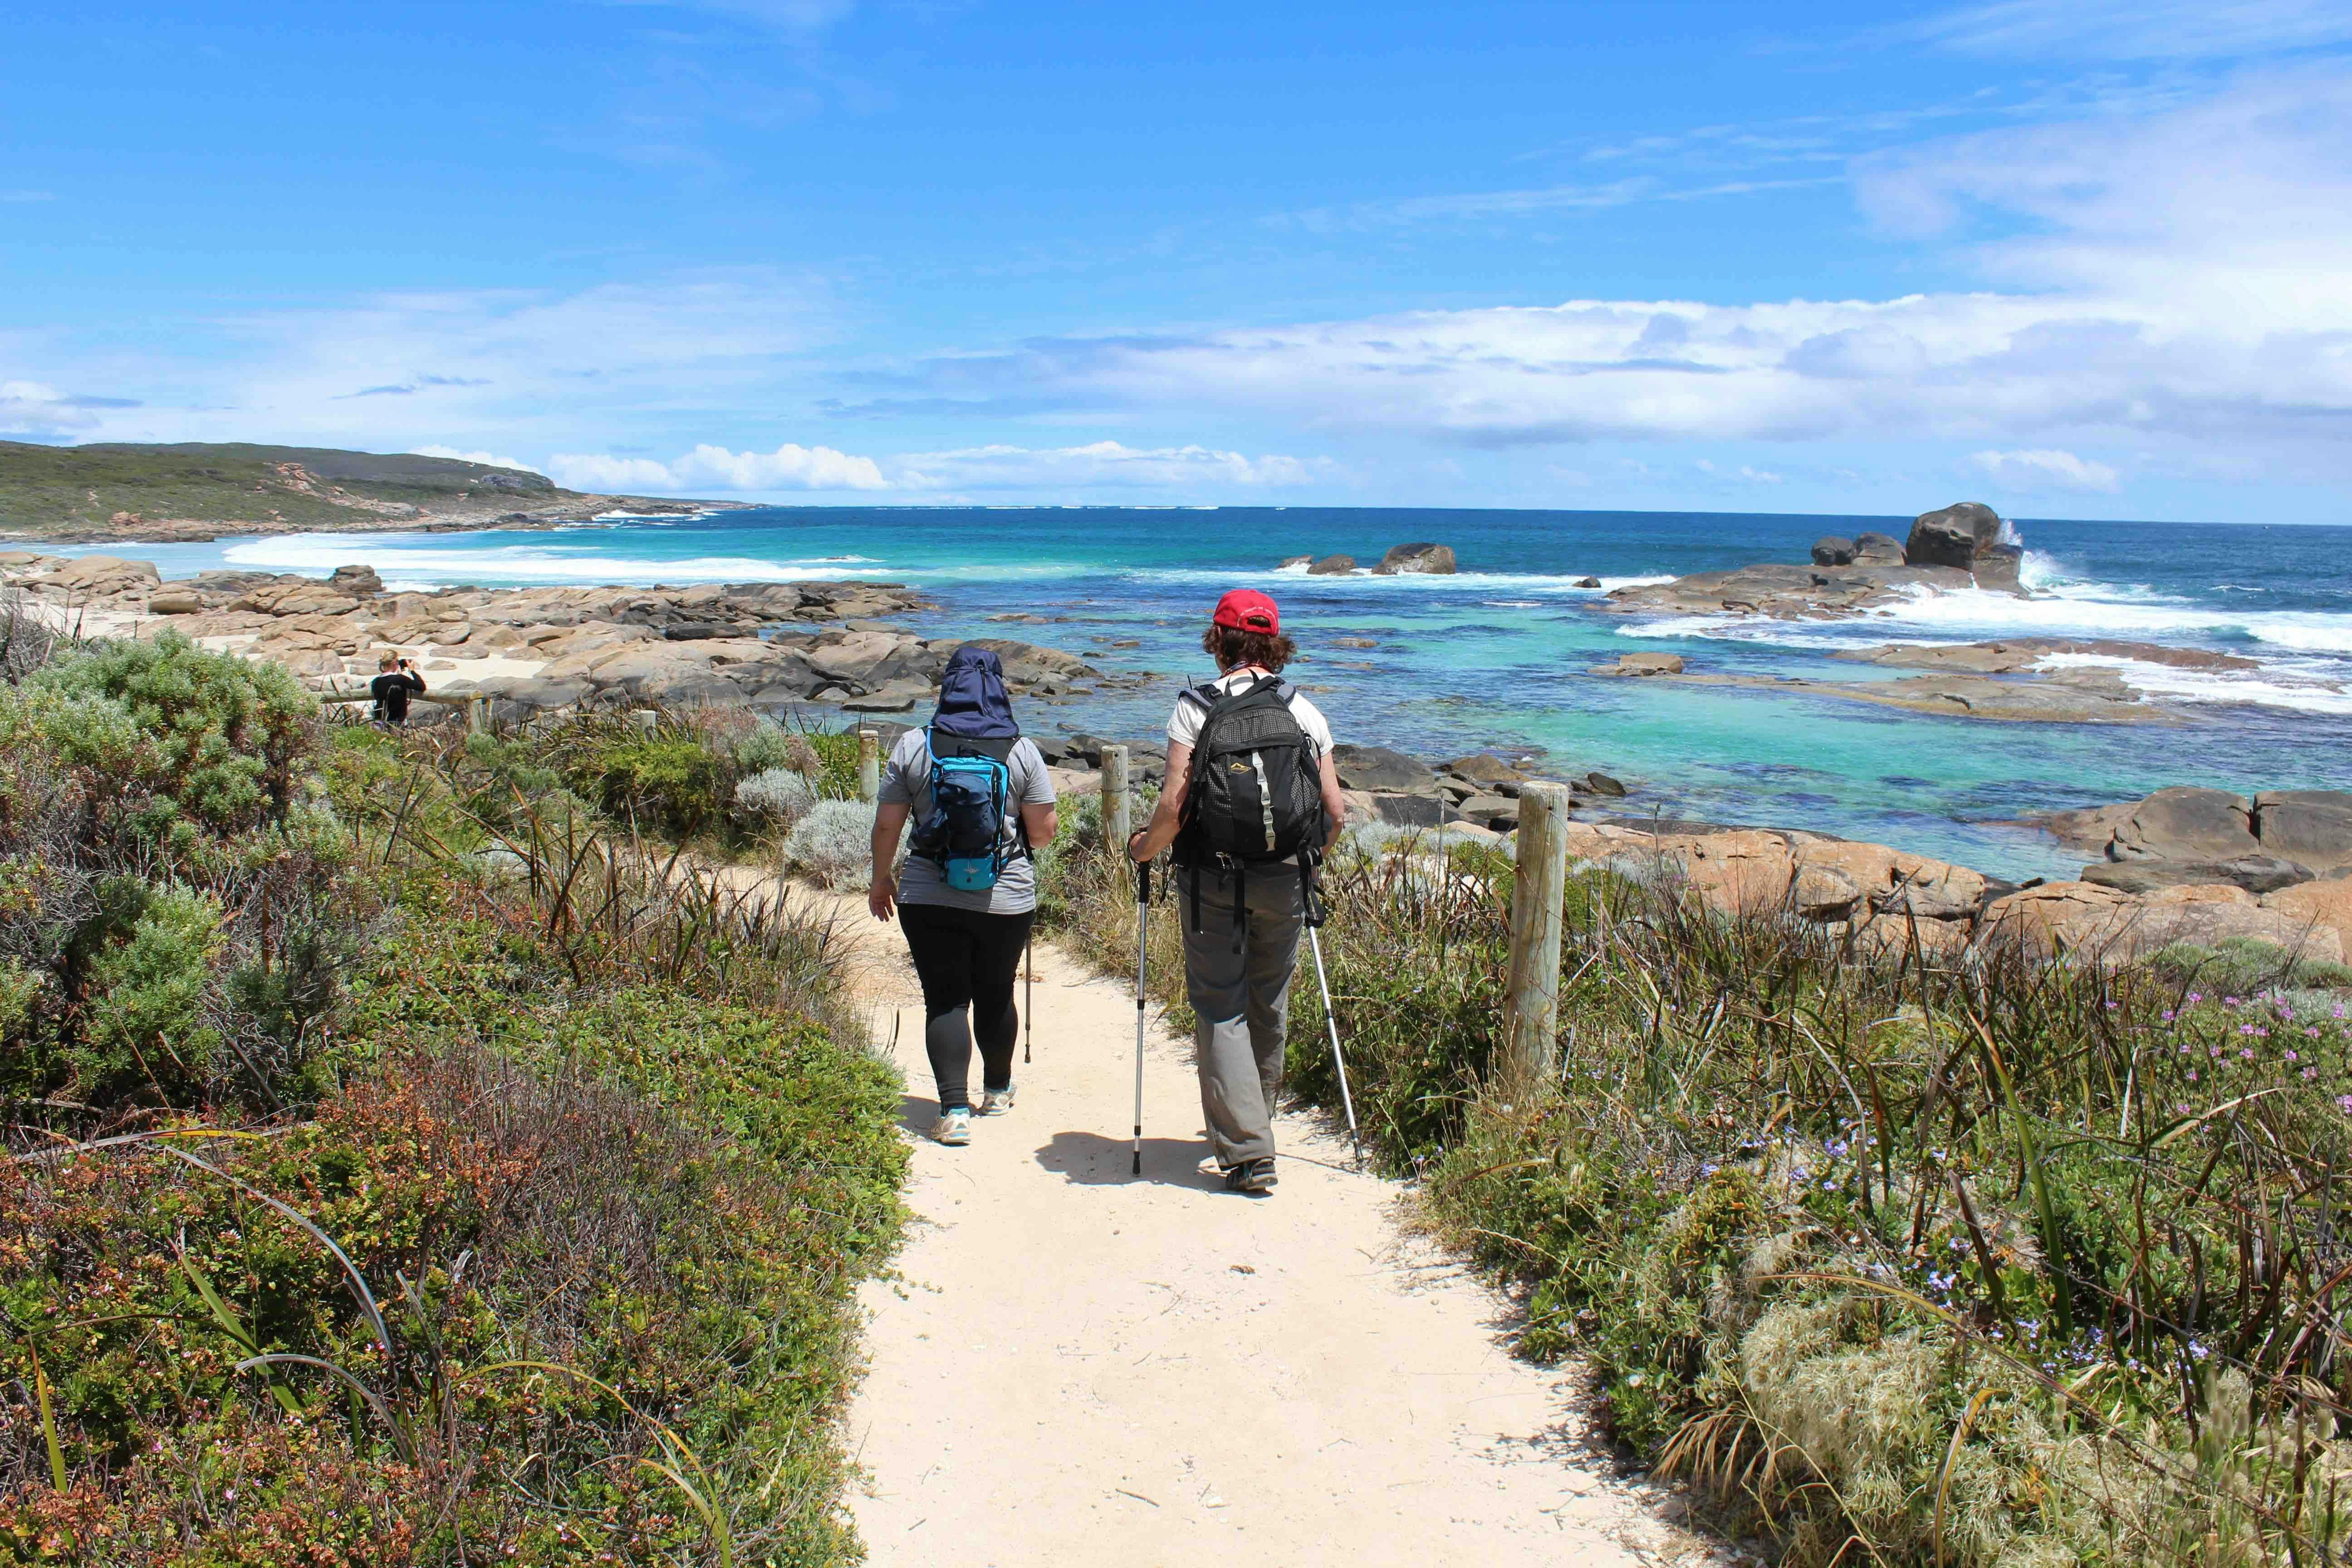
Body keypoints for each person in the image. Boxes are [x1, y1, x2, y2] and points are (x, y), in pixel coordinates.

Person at [1125, 589, 1347, 1195]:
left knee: (1221, 1005)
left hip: (1211, 880)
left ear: (1218, 641)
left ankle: (1249, 1152)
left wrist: (1143, 848)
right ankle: (1256, 1124)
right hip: (1285, 881)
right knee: (1268, 1001)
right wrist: (1306, 864)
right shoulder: (1305, 712)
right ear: (1275, 644)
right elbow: (1336, 813)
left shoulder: (1194, 709)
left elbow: (1172, 808)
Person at [869, 645, 1058, 1147]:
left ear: (947, 686)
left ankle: (953, 1111)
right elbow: (1043, 832)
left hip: (928, 894)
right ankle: (996, 1092)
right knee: (996, 990)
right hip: (1006, 896)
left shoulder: (915, 744)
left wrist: (880, 877)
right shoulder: (1022, 751)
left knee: (946, 1000)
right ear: (1000, 689)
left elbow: (888, 822)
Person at [370, 652, 425, 724]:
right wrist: (412, 670)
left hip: (379, 719)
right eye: (397, 661)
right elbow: (421, 687)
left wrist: (398, 673)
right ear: (394, 663)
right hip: (396, 721)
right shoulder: (399, 679)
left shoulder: (376, 681)